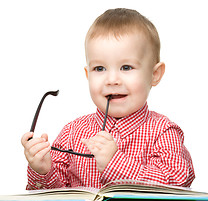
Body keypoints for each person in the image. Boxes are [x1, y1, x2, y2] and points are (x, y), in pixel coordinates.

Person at [21, 8, 195, 190]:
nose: (112, 80)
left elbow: (178, 182)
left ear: (155, 74)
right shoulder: (71, 133)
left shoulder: (163, 132)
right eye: (100, 69)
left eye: (126, 67)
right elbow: (54, 198)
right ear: (88, 74)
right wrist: (42, 169)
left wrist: (115, 163)